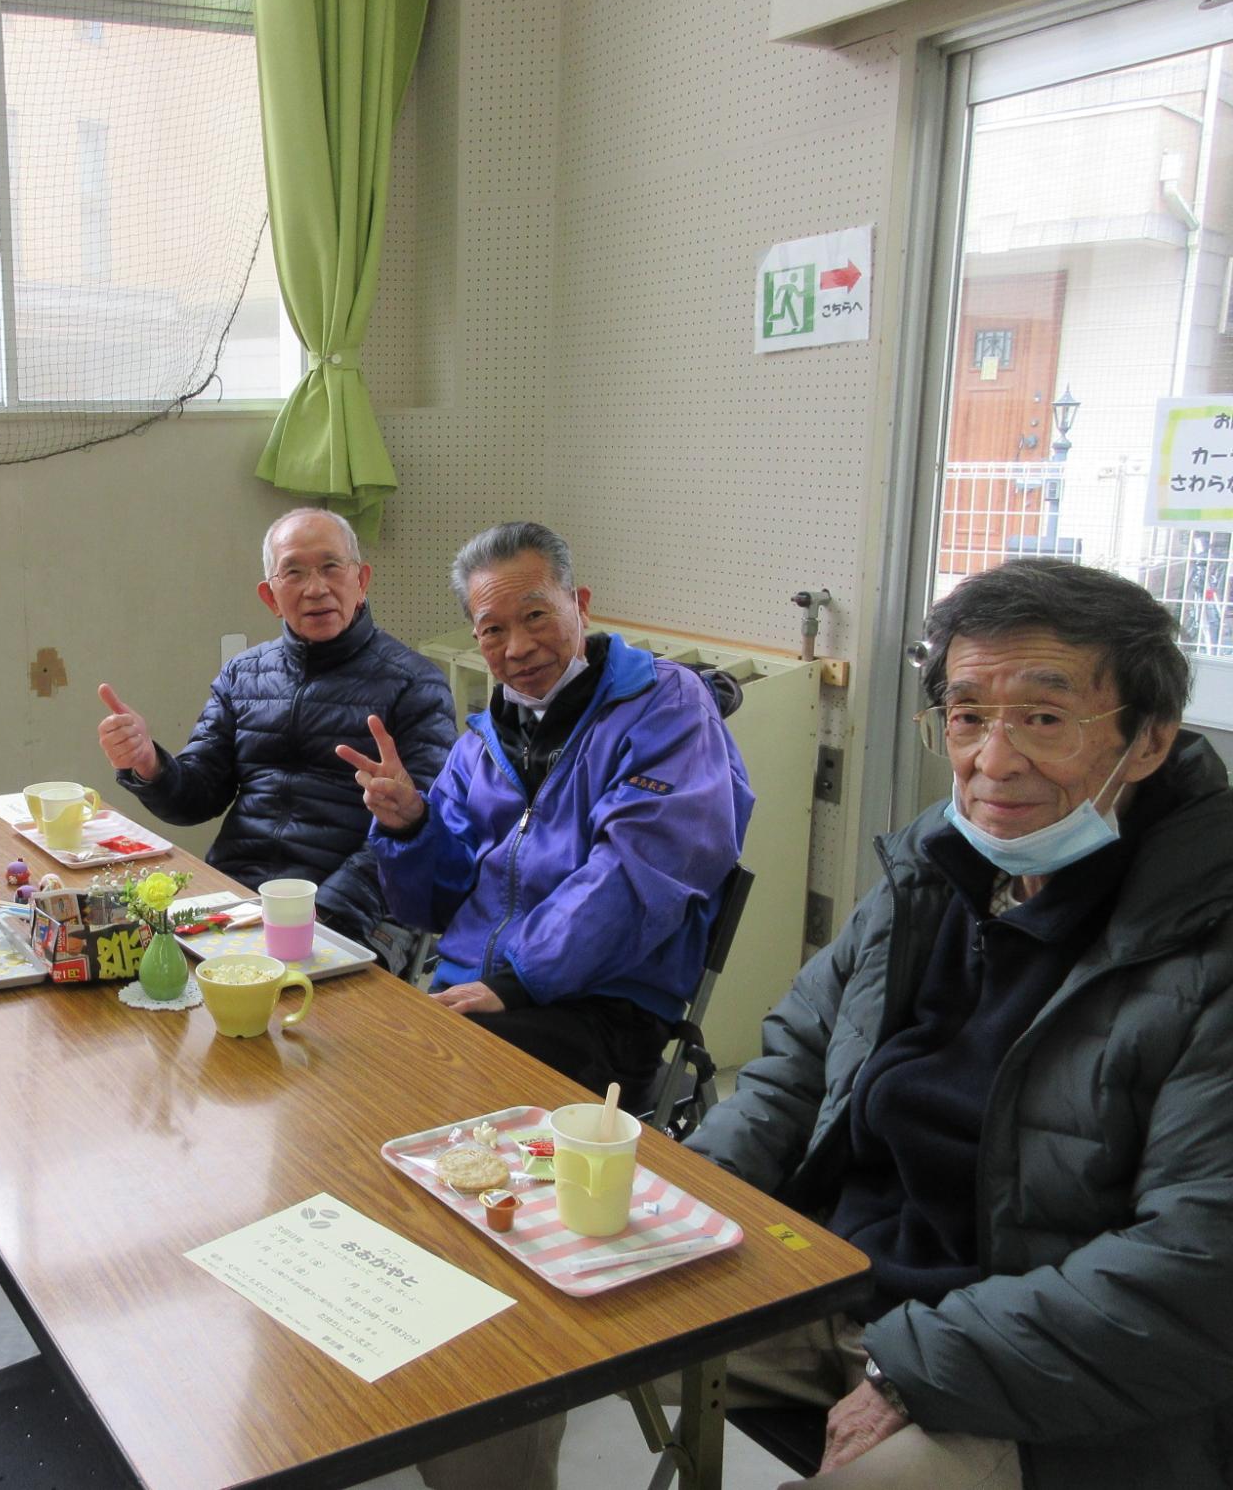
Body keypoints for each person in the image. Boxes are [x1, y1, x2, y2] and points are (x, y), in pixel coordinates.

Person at [457, 557, 1233, 1490]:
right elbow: (794, 1063)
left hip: (1025, 1356)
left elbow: (1198, 1272)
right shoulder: (935, 873)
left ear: (1148, 741)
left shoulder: (1202, 944)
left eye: (1043, 718)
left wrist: (922, 1367)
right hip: (824, 1271)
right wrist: (693, 1202)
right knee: (478, 1333)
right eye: (969, 715)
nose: (992, 761)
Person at [345, 520, 752, 1102]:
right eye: (493, 629)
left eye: (536, 615)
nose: (517, 647)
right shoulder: (480, 745)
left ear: (579, 604)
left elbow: (639, 873)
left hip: (603, 1005)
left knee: (422, 1084)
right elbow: (431, 906)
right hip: (477, 994)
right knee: (346, 1053)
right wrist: (409, 826)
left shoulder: (669, 707)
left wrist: (518, 981)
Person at [96, 507, 454, 970]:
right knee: (125, 966)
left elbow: (418, 833)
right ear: (270, 595)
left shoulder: (414, 684)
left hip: (358, 907)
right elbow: (195, 798)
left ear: (361, 579)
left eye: (331, 567)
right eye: (294, 572)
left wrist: (321, 912)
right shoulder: (244, 674)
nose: (316, 588)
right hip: (240, 891)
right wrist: (148, 764)